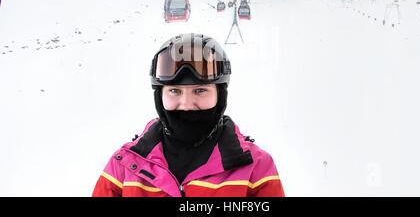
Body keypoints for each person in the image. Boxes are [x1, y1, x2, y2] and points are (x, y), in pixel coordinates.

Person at [92, 33, 285, 197]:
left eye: (200, 91)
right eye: (174, 91)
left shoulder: (255, 168)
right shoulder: (125, 165)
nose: (186, 105)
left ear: (220, 95)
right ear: (160, 97)